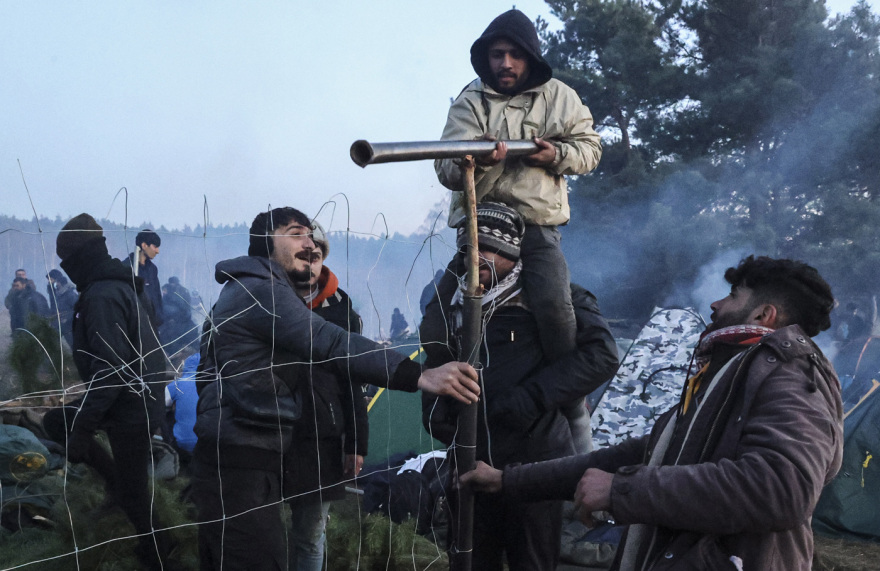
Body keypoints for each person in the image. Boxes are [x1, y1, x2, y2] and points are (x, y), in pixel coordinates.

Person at [461, 255, 844, 571]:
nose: (715, 305)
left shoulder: (788, 373)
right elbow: (650, 452)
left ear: (764, 315)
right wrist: (508, 481)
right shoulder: (734, 373)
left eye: (731, 295)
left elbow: (781, 488)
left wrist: (622, 489)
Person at [190, 206, 480, 571]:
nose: (310, 244)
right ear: (265, 241)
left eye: (311, 236)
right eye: (296, 233)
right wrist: (419, 375)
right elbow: (329, 342)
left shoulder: (252, 289)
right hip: (237, 460)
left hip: (240, 454)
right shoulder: (260, 290)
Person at [421, 202, 618, 570]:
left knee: (531, 560)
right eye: (469, 250)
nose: (476, 258)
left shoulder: (555, 300)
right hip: (468, 459)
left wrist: (531, 397)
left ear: (512, 252)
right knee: (471, 560)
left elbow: (603, 356)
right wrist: (439, 419)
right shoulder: (453, 304)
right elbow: (435, 362)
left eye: (489, 249)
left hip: (534, 460)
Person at [434, 8, 602, 363]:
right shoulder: (470, 102)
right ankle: (447, 402)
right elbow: (446, 170)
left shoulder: (561, 97)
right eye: (497, 55)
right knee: (441, 311)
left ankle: (569, 400)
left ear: (530, 58)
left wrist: (556, 154)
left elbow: (590, 149)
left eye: (515, 55)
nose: (506, 64)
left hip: (538, 225)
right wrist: (477, 158)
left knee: (555, 308)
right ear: (486, 58)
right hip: (482, 226)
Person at [43, 213, 173, 569]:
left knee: (135, 494)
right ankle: (119, 488)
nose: (67, 270)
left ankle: (161, 554)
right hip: (135, 397)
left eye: (68, 264)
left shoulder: (102, 295)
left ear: (80, 260)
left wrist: (85, 428)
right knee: (58, 421)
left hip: (130, 405)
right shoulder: (120, 285)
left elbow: (112, 370)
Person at [283, 221, 369, 570]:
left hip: (321, 436)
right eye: (304, 254)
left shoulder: (340, 309)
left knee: (310, 531)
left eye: (316, 255)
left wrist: (356, 443)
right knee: (260, 527)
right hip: (266, 428)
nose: (310, 262)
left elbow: (353, 378)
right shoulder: (267, 299)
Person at [127, 228, 163, 327]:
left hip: (152, 324)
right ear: (144, 245)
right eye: (155, 246)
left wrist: (159, 318)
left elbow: (157, 295)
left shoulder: (152, 269)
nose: (157, 251)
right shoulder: (126, 267)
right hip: (133, 324)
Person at [46, 268, 78, 347]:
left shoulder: (70, 294)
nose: (49, 282)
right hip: (58, 323)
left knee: (74, 345)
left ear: (58, 281)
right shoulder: (55, 292)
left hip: (68, 325)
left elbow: (77, 309)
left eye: (51, 279)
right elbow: (54, 306)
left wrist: (67, 318)